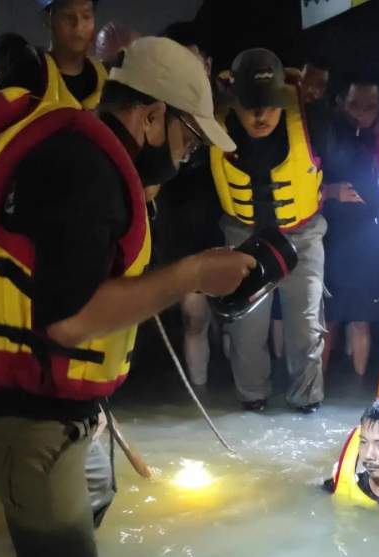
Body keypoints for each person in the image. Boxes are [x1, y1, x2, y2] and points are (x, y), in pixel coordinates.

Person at [0, 37, 253, 557]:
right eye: (189, 139)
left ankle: (38, 552)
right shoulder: (84, 169)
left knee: (94, 498)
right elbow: (69, 319)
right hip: (29, 418)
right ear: (151, 116)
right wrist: (193, 275)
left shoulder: (87, 153)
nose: (187, 156)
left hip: (60, 405)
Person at [210, 48, 327, 412]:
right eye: (251, 106)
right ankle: (252, 402)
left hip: (302, 234)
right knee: (246, 331)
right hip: (242, 235)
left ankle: (306, 404)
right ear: (235, 101)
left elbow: (356, 159)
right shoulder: (210, 123)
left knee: (306, 327)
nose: (260, 115)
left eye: (270, 105)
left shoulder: (313, 120)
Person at [154, 20, 222, 387]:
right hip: (180, 227)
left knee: (234, 322)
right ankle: (201, 396)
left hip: (226, 224)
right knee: (194, 318)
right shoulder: (155, 112)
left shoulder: (228, 105)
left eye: (191, 62)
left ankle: (239, 397)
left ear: (207, 65)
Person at [322, 73, 379, 377]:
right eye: (354, 105)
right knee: (326, 319)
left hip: (366, 241)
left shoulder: (375, 140)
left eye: (369, 107)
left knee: (361, 319)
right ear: (341, 102)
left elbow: (376, 182)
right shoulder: (327, 135)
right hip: (331, 237)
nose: (360, 113)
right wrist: (330, 192)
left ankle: (357, 387)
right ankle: (314, 391)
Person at [37, 0, 106, 109]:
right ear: (48, 19)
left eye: (86, 16)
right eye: (68, 16)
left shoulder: (105, 79)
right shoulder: (32, 76)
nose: (78, 26)